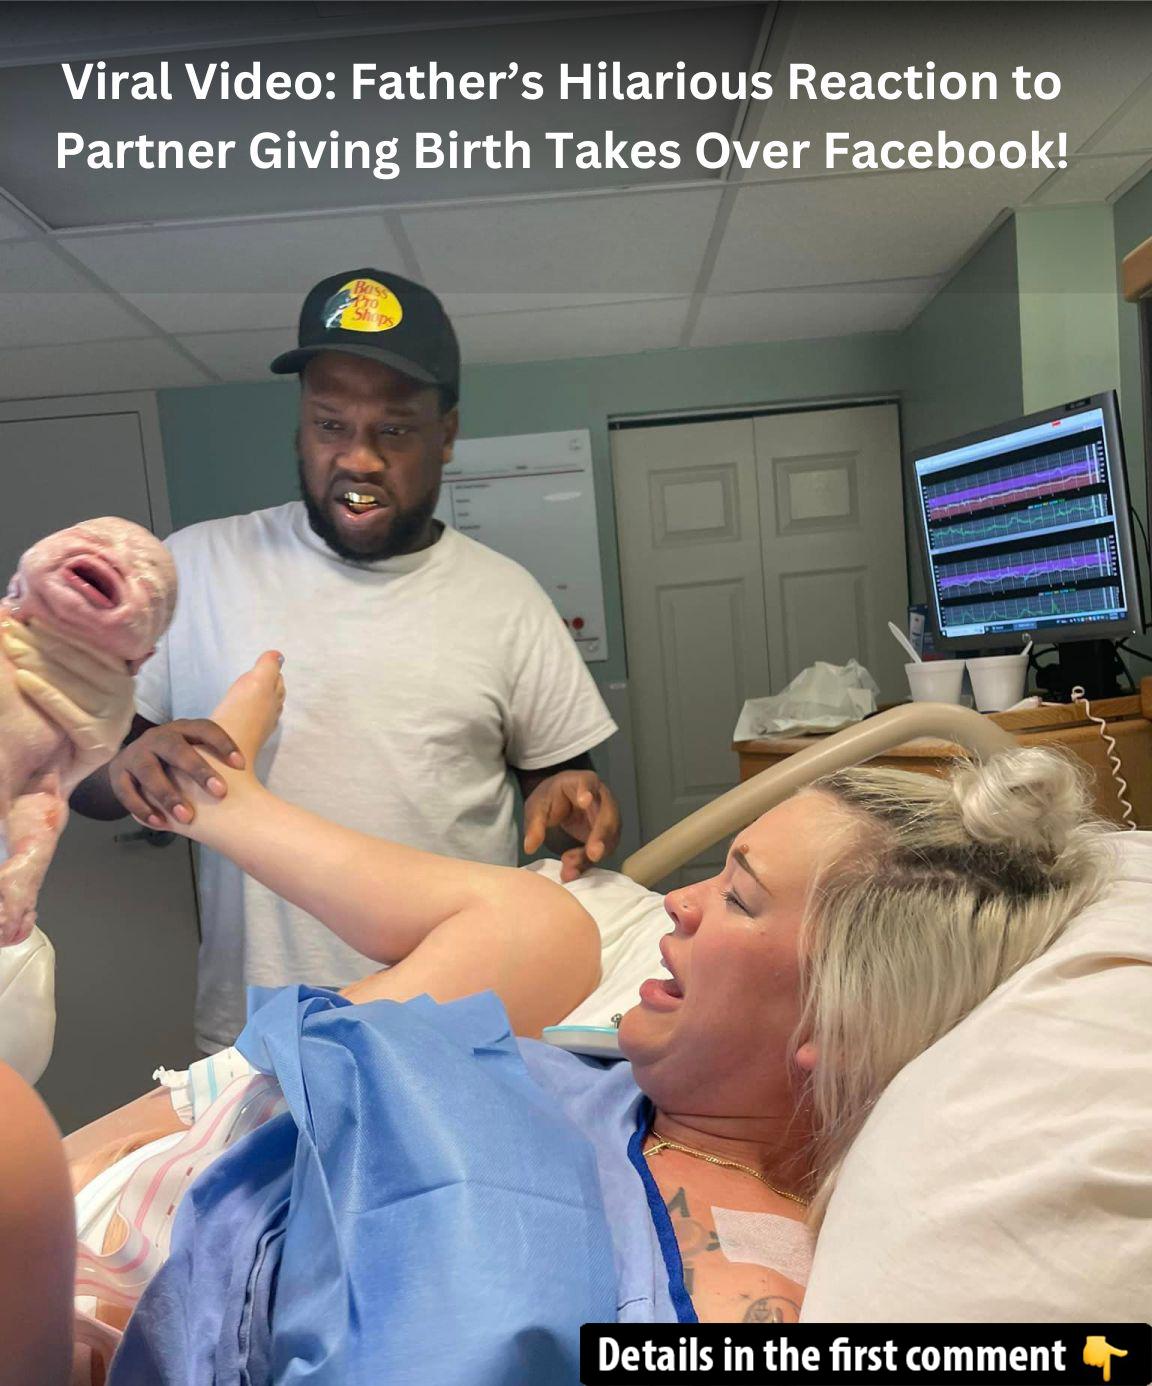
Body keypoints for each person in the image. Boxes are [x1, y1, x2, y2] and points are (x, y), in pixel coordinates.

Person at [62, 653, 1108, 1371]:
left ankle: (216, 795)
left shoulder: (735, 1287)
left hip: (115, 1281)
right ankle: (220, 798)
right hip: (188, 1153)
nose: (681, 901)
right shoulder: (619, 1075)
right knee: (544, 924)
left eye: (738, 898)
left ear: (833, 1029)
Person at [56, 268, 621, 1053]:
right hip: (260, 1033)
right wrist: (124, 768)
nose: (359, 458)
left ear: (446, 434)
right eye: (330, 425)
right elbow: (83, 775)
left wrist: (568, 799)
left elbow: (559, 785)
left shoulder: (506, 597)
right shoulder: (196, 568)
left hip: (459, 1024)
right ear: (300, 427)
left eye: (394, 430)